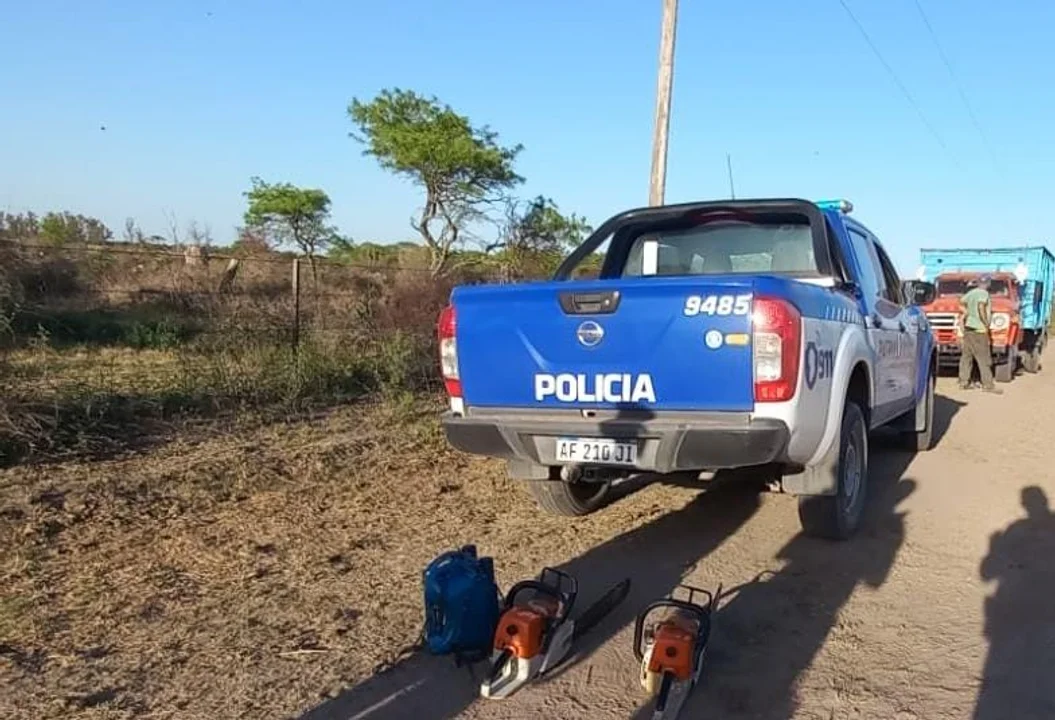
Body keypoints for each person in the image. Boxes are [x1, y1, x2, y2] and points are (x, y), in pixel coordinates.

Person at [958, 275, 1002, 394]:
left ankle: (963, 382)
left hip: (968, 328)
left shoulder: (971, 293)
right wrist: (985, 322)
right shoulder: (984, 294)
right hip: (979, 330)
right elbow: (981, 306)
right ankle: (988, 385)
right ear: (988, 283)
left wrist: (966, 313)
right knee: (983, 358)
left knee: (966, 357)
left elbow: (961, 302)